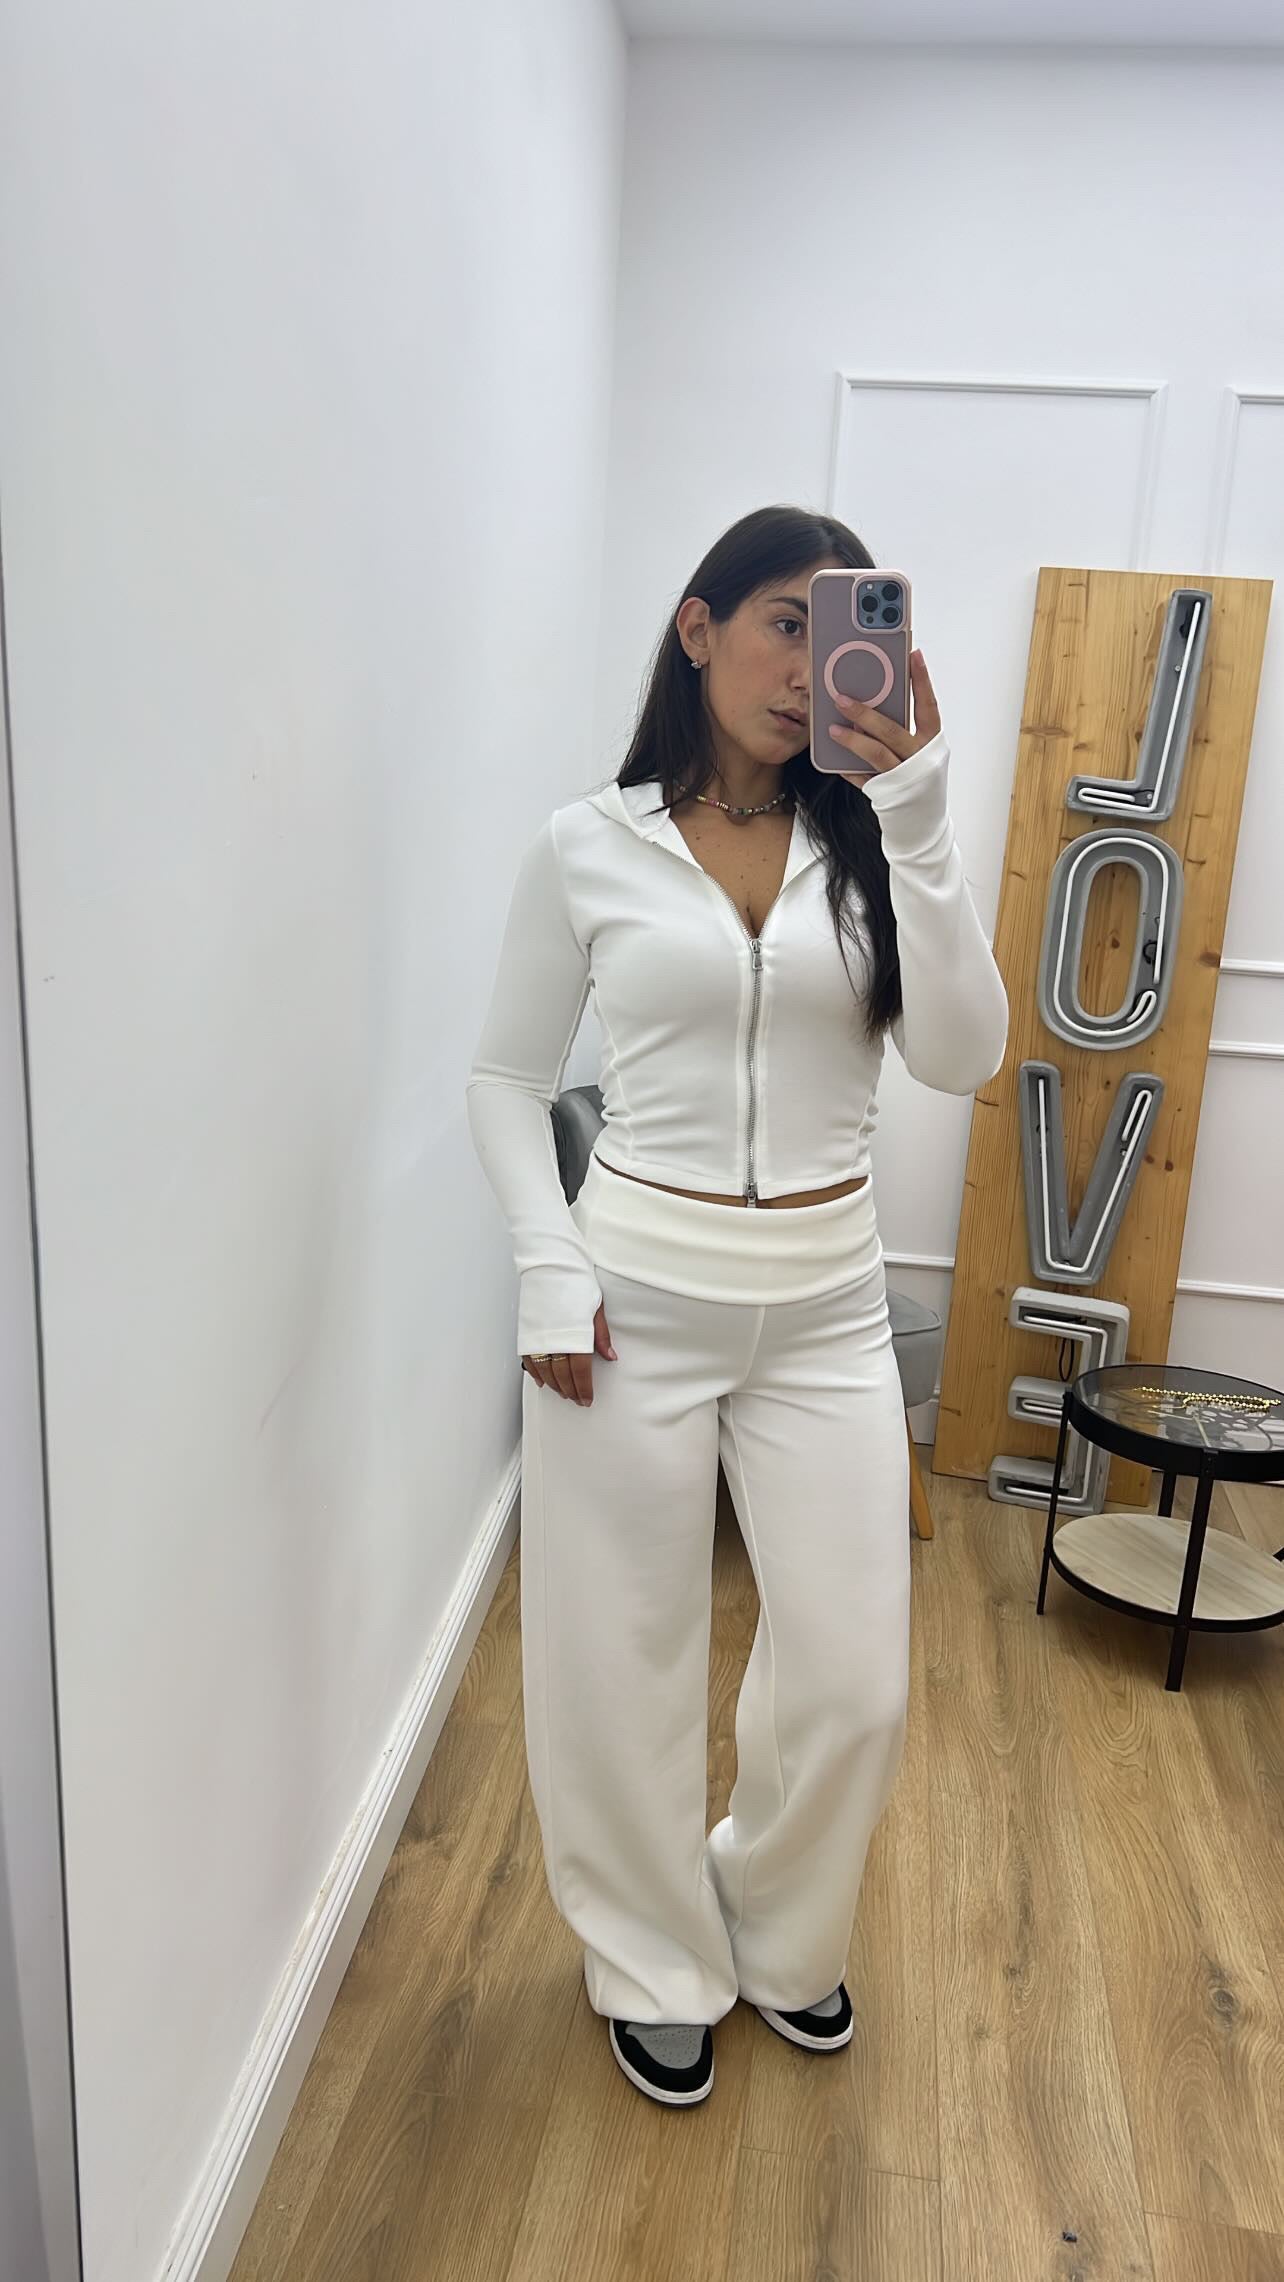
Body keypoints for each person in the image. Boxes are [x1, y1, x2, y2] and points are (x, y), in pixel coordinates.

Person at [465, 504, 1008, 2108]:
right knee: (618, 1659)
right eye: (782, 622)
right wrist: (548, 1258)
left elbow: (963, 1054)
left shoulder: (877, 840)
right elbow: (504, 1078)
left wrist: (918, 812)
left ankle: (777, 1922)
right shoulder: (591, 843)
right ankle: (649, 1959)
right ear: (698, 629)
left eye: (837, 631)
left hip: (828, 1310)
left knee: (854, 1678)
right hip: (629, 1302)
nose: (805, 666)